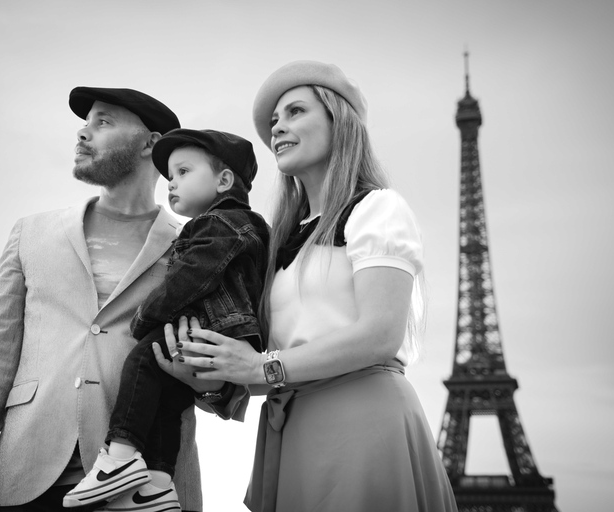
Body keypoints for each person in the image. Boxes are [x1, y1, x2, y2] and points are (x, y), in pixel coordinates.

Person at [166, 61, 459, 511]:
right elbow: (272, 362)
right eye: (273, 122)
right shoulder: (279, 240)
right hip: (292, 432)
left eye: (295, 112)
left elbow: (381, 335)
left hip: (363, 425)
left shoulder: (378, 209)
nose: (278, 127)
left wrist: (260, 369)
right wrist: (210, 377)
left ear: (339, 122)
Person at [0, 87, 222, 512]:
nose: (83, 133)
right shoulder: (31, 233)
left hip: (148, 483)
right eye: (85, 122)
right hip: (25, 473)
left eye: (103, 122)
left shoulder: (200, 245)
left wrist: (206, 377)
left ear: (151, 143)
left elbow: (224, 370)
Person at [63, 129, 269, 509]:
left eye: (184, 172)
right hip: (220, 332)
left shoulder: (219, 224)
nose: (172, 183)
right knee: (168, 398)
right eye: (170, 176)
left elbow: (194, 276)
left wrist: (146, 317)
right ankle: (157, 481)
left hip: (208, 325)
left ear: (224, 181)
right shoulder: (241, 225)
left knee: (142, 360)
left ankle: (119, 456)